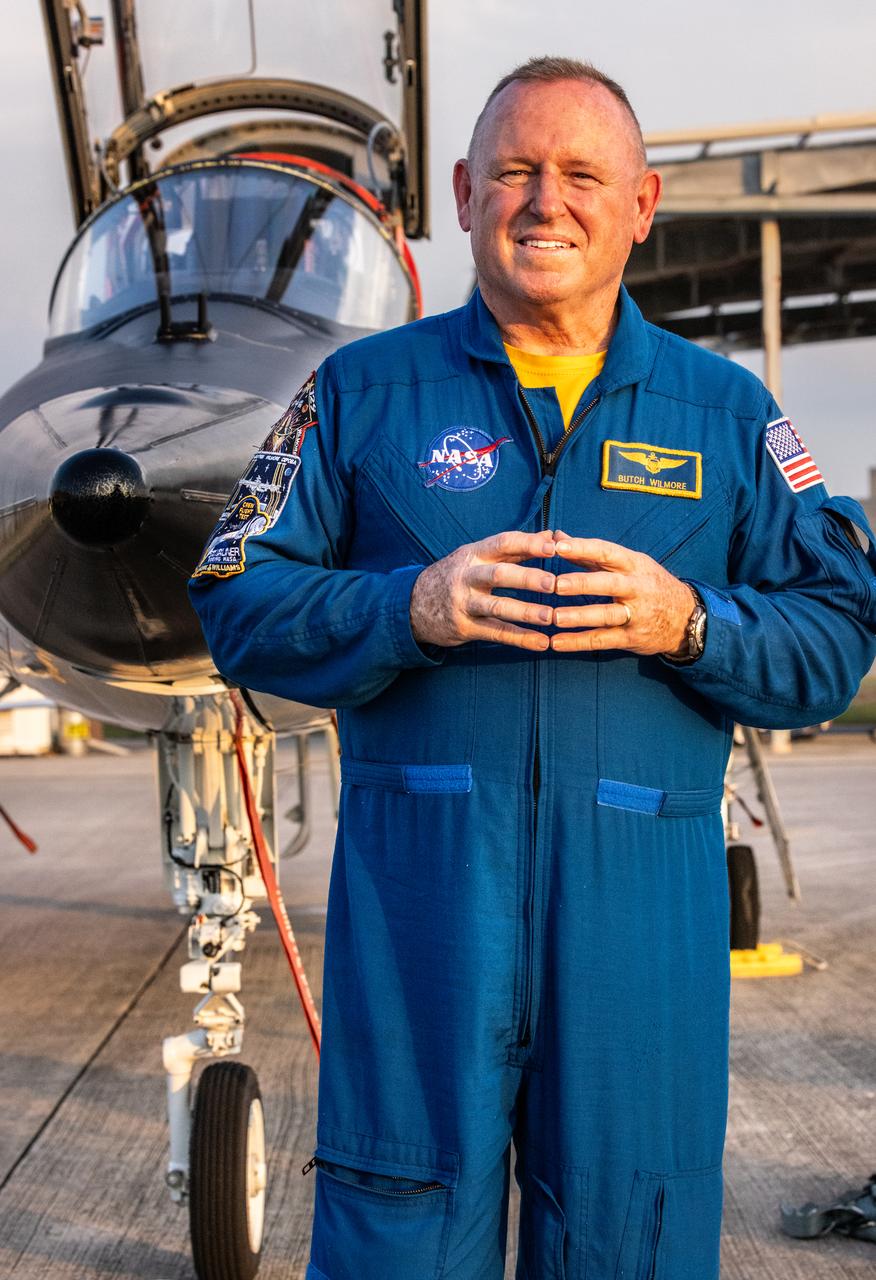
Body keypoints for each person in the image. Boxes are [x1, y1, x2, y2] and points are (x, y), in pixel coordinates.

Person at [189, 57, 876, 1280]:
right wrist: (409, 605)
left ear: (642, 204)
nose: (546, 201)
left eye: (581, 175)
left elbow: (835, 634)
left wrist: (691, 623)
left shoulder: (726, 415)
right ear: (464, 193)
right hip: (421, 926)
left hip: (641, 943)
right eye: (515, 171)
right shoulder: (359, 395)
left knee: (631, 1239)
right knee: (396, 1232)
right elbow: (236, 597)